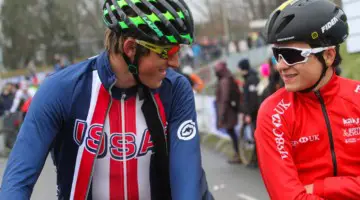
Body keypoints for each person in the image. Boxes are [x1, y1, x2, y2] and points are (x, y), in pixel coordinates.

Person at [0, 1, 213, 199]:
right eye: (168, 52)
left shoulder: (175, 89)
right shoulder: (61, 90)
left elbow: (188, 181)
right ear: (131, 48)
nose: (176, 63)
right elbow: (17, 182)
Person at [255, 0, 360, 199]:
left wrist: (320, 188)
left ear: (328, 56)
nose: (281, 66)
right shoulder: (272, 113)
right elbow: (289, 196)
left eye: (292, 55)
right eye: (277, 54)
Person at [214, 61, 241, 164]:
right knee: (231, 132)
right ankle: (237, 153)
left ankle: (237, 154)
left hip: (228, 111)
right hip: (230, 110)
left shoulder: (225, 81)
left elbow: (224, 98)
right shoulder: (227, 78)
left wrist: (221, 115)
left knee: (231, 132)